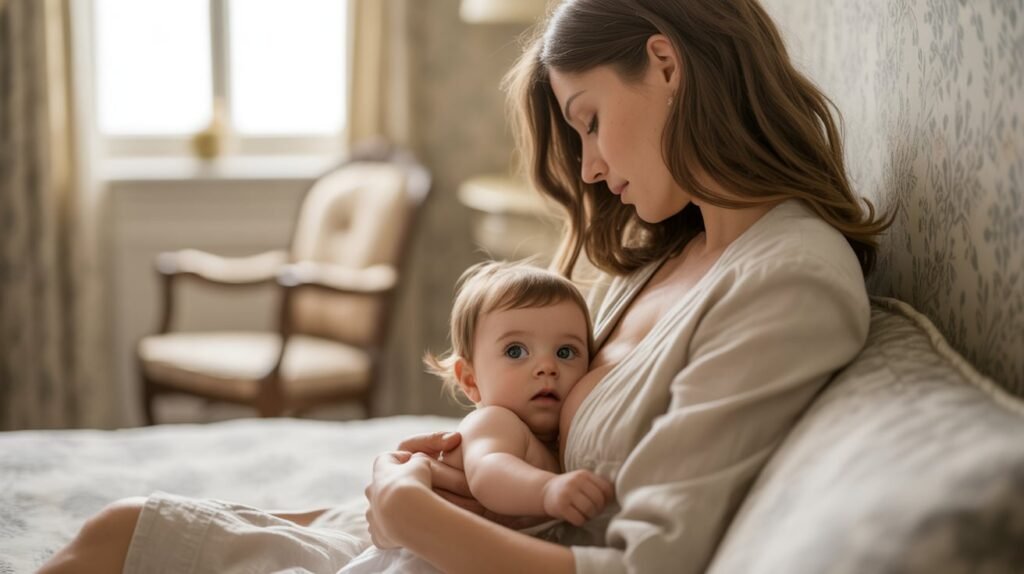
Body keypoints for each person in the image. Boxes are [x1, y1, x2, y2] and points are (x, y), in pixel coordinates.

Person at [41, 0, 892, 572]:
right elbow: (550, 445)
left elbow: (645, 563)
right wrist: (405, 479)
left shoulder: (788, 279)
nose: (591, 169)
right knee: (116, 528)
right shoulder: (671, 257)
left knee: (111, 543)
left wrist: (412, 519)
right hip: (459, 529)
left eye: (590, 120)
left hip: (465, 553)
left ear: (665, 65)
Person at [341, 260, 613, 573]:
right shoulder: (495, 421)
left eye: (565, 352)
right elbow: (490, 472)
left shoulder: (556, 439)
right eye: (515, 351)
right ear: (470, 380)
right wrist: (548, 491)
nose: (547, 367)